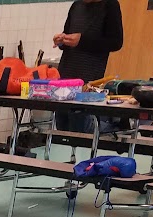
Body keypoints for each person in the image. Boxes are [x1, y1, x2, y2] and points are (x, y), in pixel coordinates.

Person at [53, 0, 125, 134]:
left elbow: (116, 42)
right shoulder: (76, 5)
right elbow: (68, 35)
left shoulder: (109, 5)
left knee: (80, 127)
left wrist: (82, 40)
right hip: (66, 77)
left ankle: (115, 126)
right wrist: (62, 41)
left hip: (88, 77)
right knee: (62, 127)